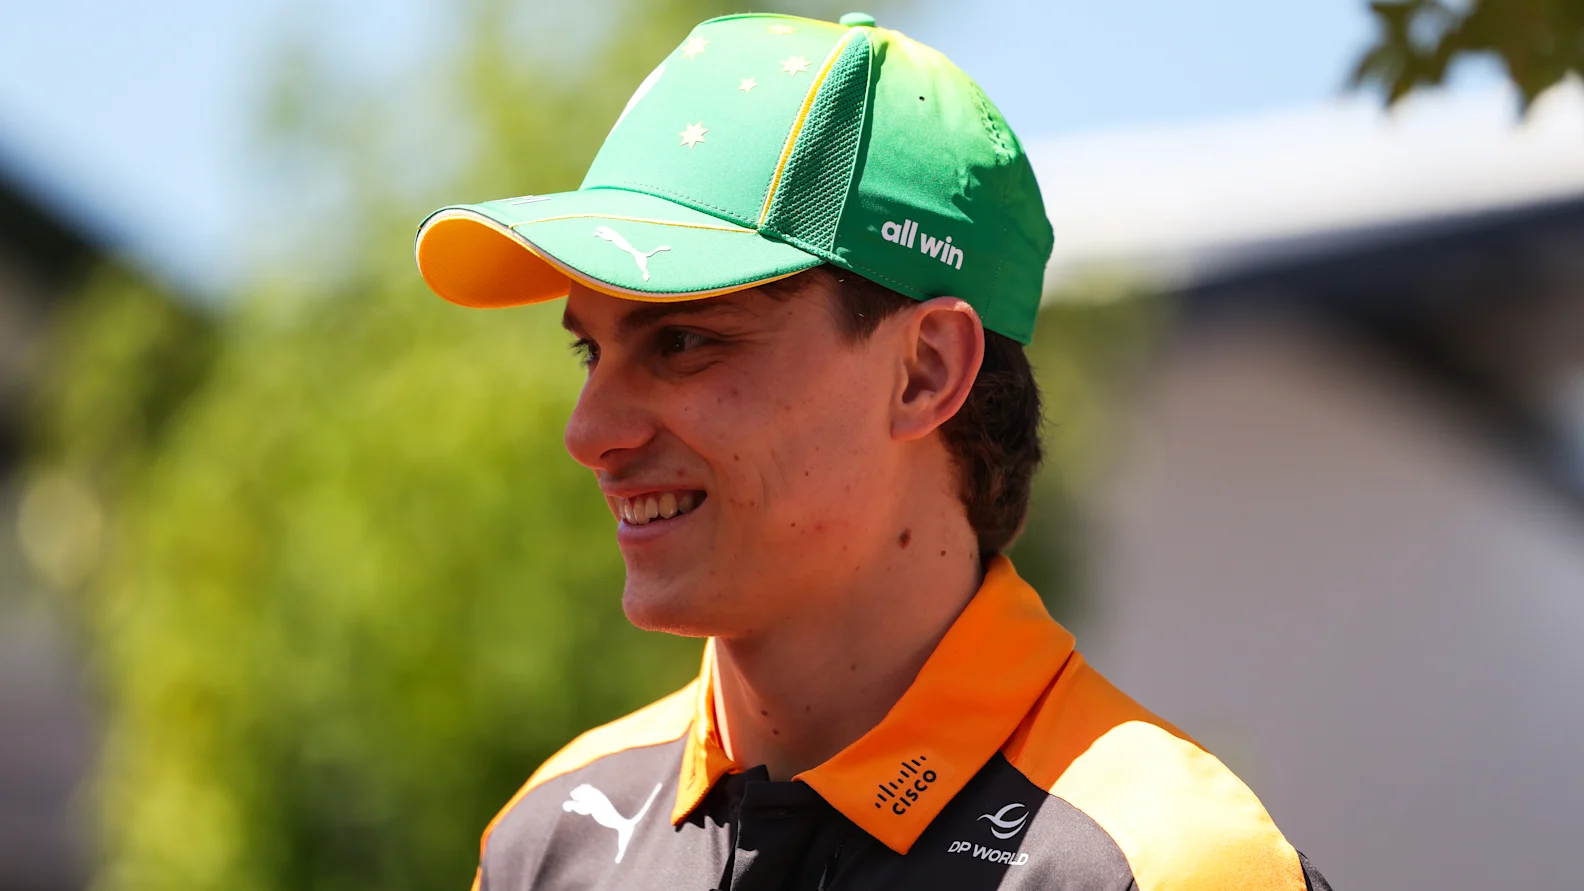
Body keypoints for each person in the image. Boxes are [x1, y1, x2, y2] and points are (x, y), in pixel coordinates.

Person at [414, 11, 1333, 891]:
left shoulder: (1161, 867)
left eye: (684, 341)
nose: (589, 432)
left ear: (925, 371)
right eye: (591, 350)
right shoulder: (549, 839)